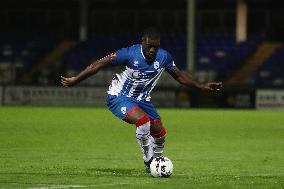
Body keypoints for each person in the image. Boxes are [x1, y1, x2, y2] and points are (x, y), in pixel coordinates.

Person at [61, 27, 223, 173]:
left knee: (160, 133)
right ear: (142, 43)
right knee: (143, 121)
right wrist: (76, 80)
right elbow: (99, 64)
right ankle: (148, 159)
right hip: (119, 96)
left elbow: (179, 76)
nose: (152, 50)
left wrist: (202, 86)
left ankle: (156, 163)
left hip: (142, 100)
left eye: (156, 46)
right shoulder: (129, 53)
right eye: (149, 46)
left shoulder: (164, 57)